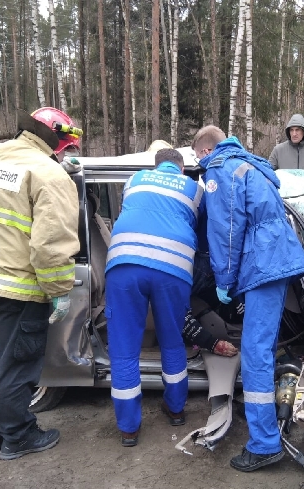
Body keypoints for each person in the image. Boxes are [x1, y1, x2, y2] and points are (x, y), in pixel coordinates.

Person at [0, 107, 81, 465]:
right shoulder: (49, 174)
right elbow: (50, 244)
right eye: (65, 146)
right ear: (56, 140)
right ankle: (18, 437)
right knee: (15, 366)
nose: (64, 153)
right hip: (17, 287)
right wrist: (59, 291)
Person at [192, 126, 304, 472]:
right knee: (266, 345)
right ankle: (267, 416)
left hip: (262, 262)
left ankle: (264, 444)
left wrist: (224, 279)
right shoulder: (251, 164)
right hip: (278, 258)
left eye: (199, 159)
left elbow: (226, 230)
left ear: (203, 152)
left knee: (255, 352)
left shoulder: (218, 169)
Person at [105, 148, 204, 447]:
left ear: (155, 166)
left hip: (125, 264)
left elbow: (131, 211)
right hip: (173, 267)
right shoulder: (194, 189)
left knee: (124, 348)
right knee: (172, 340)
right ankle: (175, 410)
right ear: (182, 169)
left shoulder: (133, 180)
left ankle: (129, 429)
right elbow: (198, 225)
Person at [145, 140, 238, 358]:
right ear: (182, 169)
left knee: (203, 291)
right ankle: (217, 334)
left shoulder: (139, 186)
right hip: (183, 262)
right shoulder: (192, 191)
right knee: (177, 300)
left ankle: (226, 318)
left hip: (159, 262)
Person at [269, 113, 304, 178]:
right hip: (285, 188)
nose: (294, 134)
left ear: (303, 131)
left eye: (297, 130)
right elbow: (268, 172)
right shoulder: (278, 150)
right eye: (291, 130)